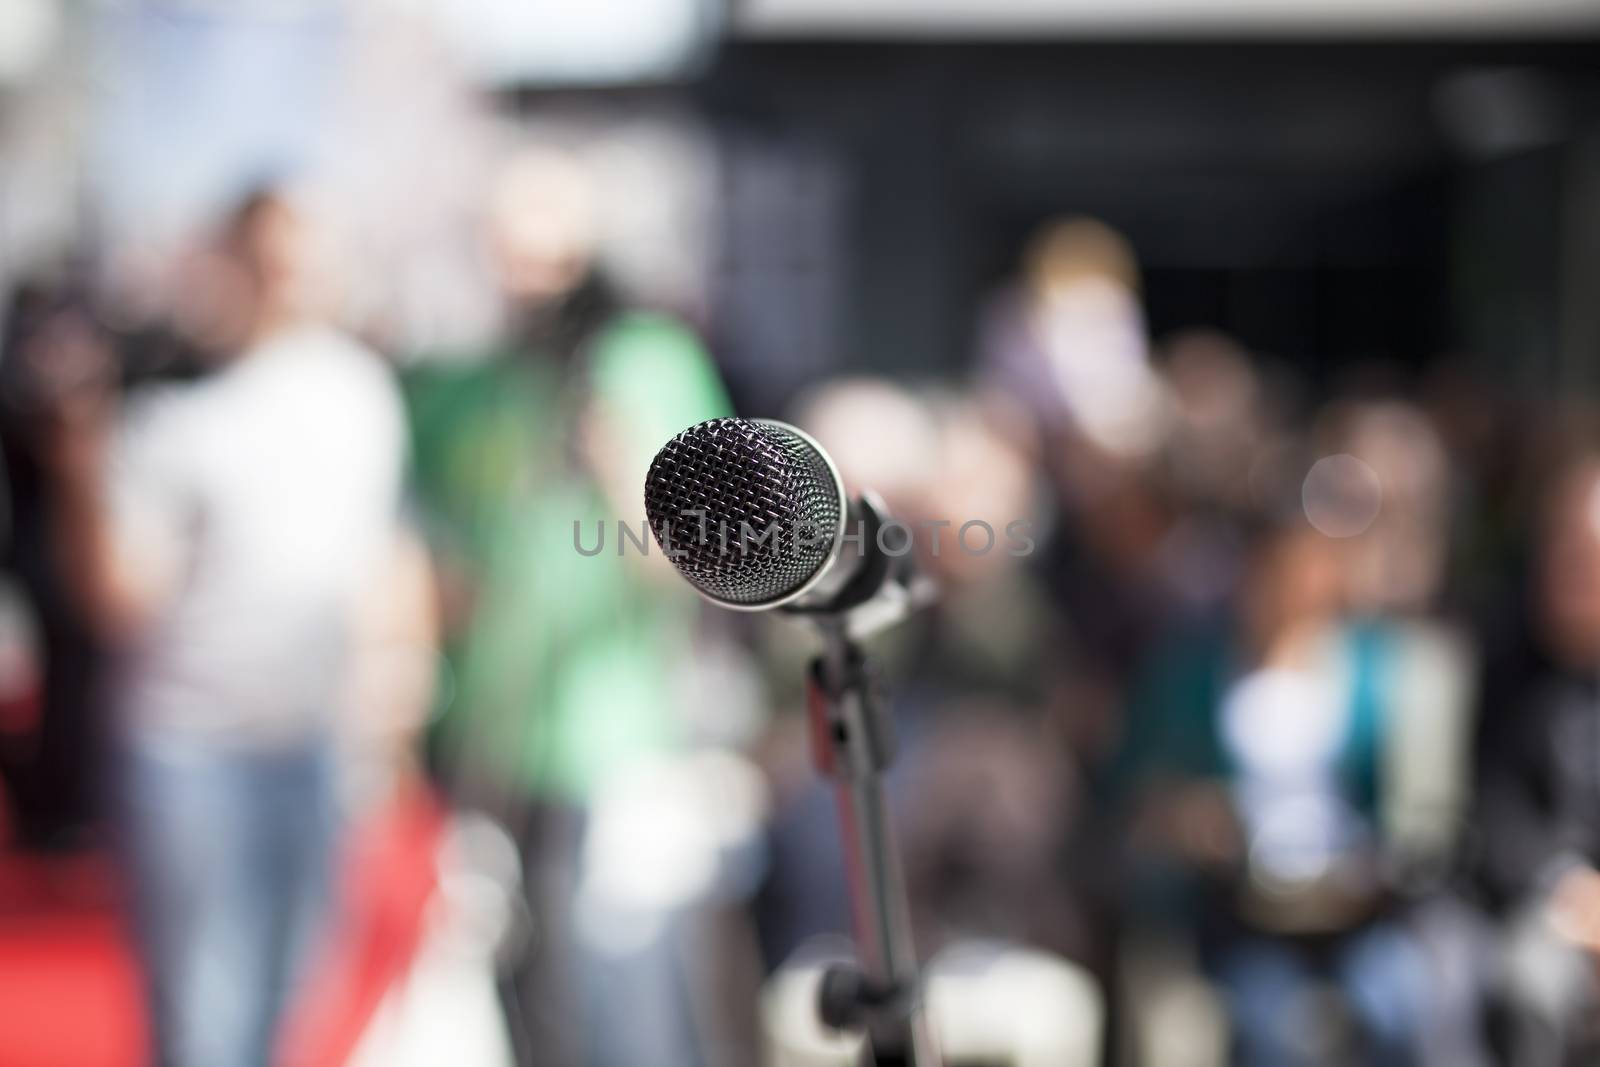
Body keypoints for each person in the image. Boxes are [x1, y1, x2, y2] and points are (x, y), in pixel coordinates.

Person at [41, 189, 407, 1067]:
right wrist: (80, 467)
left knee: (293, 1003)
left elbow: (380, 561)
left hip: (313, 744)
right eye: (278, 260)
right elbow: (123, 595)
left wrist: (390, 714)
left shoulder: (361, 393)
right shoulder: (175, 411)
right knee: (205, 1020)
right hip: (191, 746)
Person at [402, 143, 732, 1067]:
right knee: (519, 978)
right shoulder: (479, 381)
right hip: (490, 732)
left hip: (609, 740)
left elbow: (695, 557)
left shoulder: (645, 359)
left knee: (618, 998)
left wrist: (621, 466)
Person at [1476, 454, 1600, 1065]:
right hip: (1543, 902)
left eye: (1586, 565)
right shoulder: (1505, 661)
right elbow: (1492, 808)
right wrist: (1569, 891)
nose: (1569, 578)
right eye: (1561, 558)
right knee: (1528, 987)